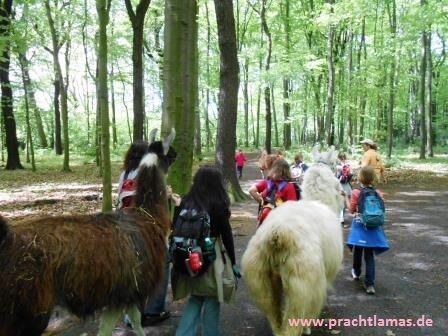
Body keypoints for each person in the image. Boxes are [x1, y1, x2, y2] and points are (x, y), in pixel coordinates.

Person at [173, 166, 239, 336]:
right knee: (211, 298)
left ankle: (183, 333)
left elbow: (175, 227)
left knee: (196, 297)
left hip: (189, 257)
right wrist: (233, 262)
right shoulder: (219, 204)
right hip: (211, 255)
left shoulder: (187, 200)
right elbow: (226, 235)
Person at [346, 166, 389, 295]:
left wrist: (345, 198)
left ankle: (356, 272)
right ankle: (370, 284)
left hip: (360, 225)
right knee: (369, 255)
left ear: (360, 177)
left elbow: (351, 210)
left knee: (358, 250)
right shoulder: (378, 193)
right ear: (373, 178)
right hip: (373, 227)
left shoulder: (356, 192)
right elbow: (382, 210)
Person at [248, 159, 298, 227]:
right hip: (281, 223)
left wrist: (262, 202)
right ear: (287, 171)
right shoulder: (289, 186)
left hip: (264, 222)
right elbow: (292, 207)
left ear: (273, 169)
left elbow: (251, 190)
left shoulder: (266, 182)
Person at [117, 140, 150, 209]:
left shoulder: (125, 173)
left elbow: (120, 196)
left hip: (124, 212)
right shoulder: (147, 173)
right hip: (142, 213)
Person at [337, 152, 353, 226]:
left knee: (338, 202)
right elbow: (351, 175)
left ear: (338, 158)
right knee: (344, 202)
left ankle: (339, 218)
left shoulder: (337, 166)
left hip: (339, 185)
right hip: (346, 186)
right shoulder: (348, 165)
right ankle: (341, 217)